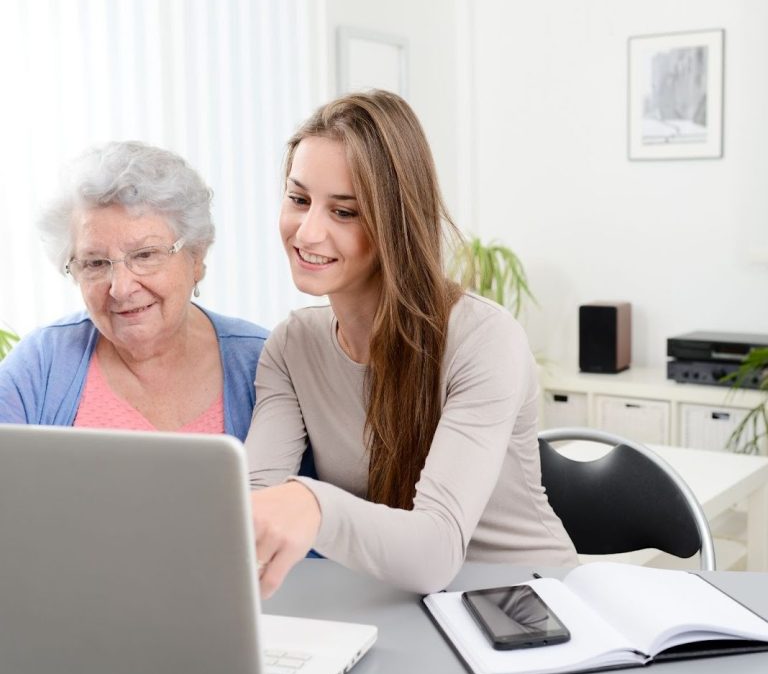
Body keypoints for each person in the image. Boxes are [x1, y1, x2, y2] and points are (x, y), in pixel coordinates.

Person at [246, 90, 578, 597]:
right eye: (299, 200)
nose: (307, 233)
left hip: (531, 601)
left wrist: (313, 505)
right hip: (403, 604)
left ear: (396, 222)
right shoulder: (292, 347)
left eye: (344, 212)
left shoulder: (484, 339)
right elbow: (254, 503)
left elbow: (434, 551)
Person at [0, 141, 268, 440]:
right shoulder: (41, 362)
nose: (121, 288)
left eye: (145, 255)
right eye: (95, 263)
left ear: (196, 257)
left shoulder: (263, 362)